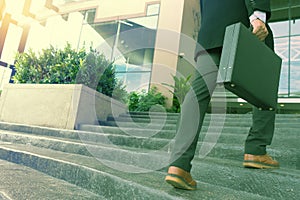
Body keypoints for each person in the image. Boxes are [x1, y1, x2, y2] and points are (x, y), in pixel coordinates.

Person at [165, 0, 279, 190]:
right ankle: (256, 150)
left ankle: (179, 165)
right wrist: (258, 15)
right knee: (265, 85)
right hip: (244, 24)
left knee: (197, 94)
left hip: (211, 30)